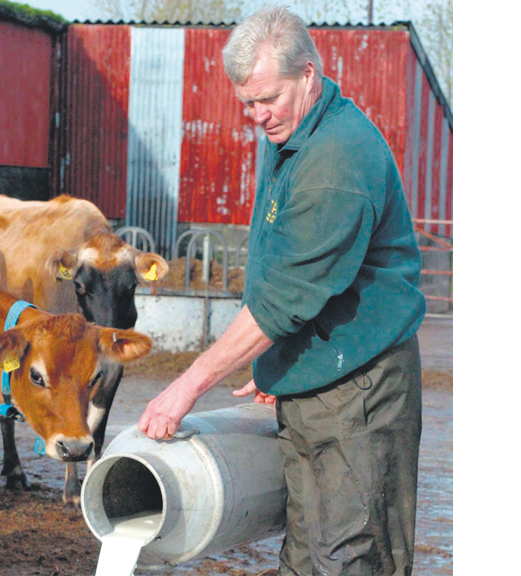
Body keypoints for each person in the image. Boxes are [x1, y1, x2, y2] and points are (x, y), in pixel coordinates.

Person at [137, 5, 427, 576]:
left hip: (359, 389)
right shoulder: (291, 132)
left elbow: (284, 297)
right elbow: (278, 266)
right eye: (246, 102)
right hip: (318, 374)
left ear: (308, 76)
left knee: (350, 556)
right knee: (302, 552)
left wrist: (187, 386)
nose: (256, 115)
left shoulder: (337, 159)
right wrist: (281, 361)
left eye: (267, 98)